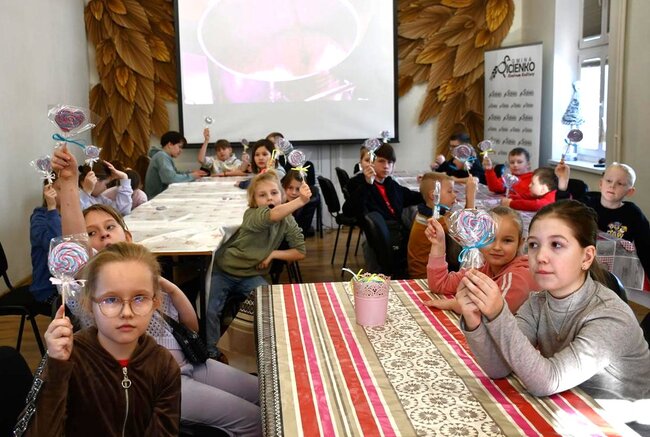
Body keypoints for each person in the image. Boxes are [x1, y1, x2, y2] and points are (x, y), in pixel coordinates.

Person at [50, 145, 263, 435]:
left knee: (266, 393)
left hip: (192, 362)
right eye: (92, 233)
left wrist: (168, 287)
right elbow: (74, 243)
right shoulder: (91, 286)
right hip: (158, 380)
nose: (103, 235)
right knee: (255, 420)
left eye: (110, 227)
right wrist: (68, 183)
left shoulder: (143, 278)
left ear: (127, 235)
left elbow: (191, 328)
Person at [457, 200, 650, 429]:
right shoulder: (537, 302)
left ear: (587, 257)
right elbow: (499, 367)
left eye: (556, 245)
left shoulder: (611, 316)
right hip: (570, 410)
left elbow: (548, 380)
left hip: (621, 426)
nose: (540, 256)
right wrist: (474, 321)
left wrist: (499, 314)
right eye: (534, 245)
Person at [25, 242, 181, 436]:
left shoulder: (163, 365)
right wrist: (56, 369)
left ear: (155, 302)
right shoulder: (68, 360)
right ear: (89, 304)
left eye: (139, 298)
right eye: (111, 299)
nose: (126, 312)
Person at [207, 171, 309, 356]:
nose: (269, 198)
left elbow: (300, 252)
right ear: (254, 200)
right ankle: (211, 353)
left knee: (269, 307)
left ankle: (267, 351)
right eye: (262, 195)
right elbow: (272, 215)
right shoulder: (252, 214)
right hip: (224, 270)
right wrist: (300, 200)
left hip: (251, 275)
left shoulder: (287, 220)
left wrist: (273, 254)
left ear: (282, 195)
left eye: (274, 193)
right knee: (210, 309)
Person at [425, 206, 538, 314]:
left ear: (520, 243)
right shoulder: (484, 267)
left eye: (507, 240)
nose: (497, 247)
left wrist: (452, 304)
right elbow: (440, 285)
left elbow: (493, 312)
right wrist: (438, 244)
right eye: (490, 238)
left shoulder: (519, 277)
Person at [556, 161, 650, 282]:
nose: (612, 186)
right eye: (609, 181)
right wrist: (563, 183)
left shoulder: (633, 214)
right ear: (601, 183)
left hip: (614, 274)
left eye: (620, 183)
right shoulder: (586, 204)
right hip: (581, 267)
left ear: (630, 191)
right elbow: (561, 214)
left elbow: (646, 247)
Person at [343, 143, 422, 273]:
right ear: (372, 162)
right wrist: (367, 184)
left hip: (397, 232)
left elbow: (411, 196)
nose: (386, 166)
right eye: (381, 161)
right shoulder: (359, 183)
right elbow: (348, 210)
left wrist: (426, 188)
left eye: (390, 162)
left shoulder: (390, 184)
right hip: (377, 235)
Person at [407, 172, 476, 278]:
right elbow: (470, 231)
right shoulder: (433, 221)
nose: (454, 195)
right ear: (434, 195)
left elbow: (462, 221)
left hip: (431, 272)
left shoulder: (430, 213)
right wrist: (470, 196)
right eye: (449, 191)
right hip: (425, 277)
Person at [145, 131, 207, 198]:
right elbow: (170, 179)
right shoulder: (161, 156)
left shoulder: (163, 156)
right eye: (179, 147)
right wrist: (192, 176)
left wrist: (190, 173)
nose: (181, 150)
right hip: (157, 198)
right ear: (170, 144)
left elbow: (174, 173)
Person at [29, 178, 62, 304]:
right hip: (47, 289)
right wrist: (52, 208)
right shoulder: (39, 218)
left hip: (67, 282)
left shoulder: (67, 214)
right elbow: (56, 246)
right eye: (60, 189)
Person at [281, 170, 318, 236]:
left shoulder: (305, 209)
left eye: (298, 189)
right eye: (290, 187)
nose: (294, 192)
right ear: (284, 187)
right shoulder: (278, 204)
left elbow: (300, 234)